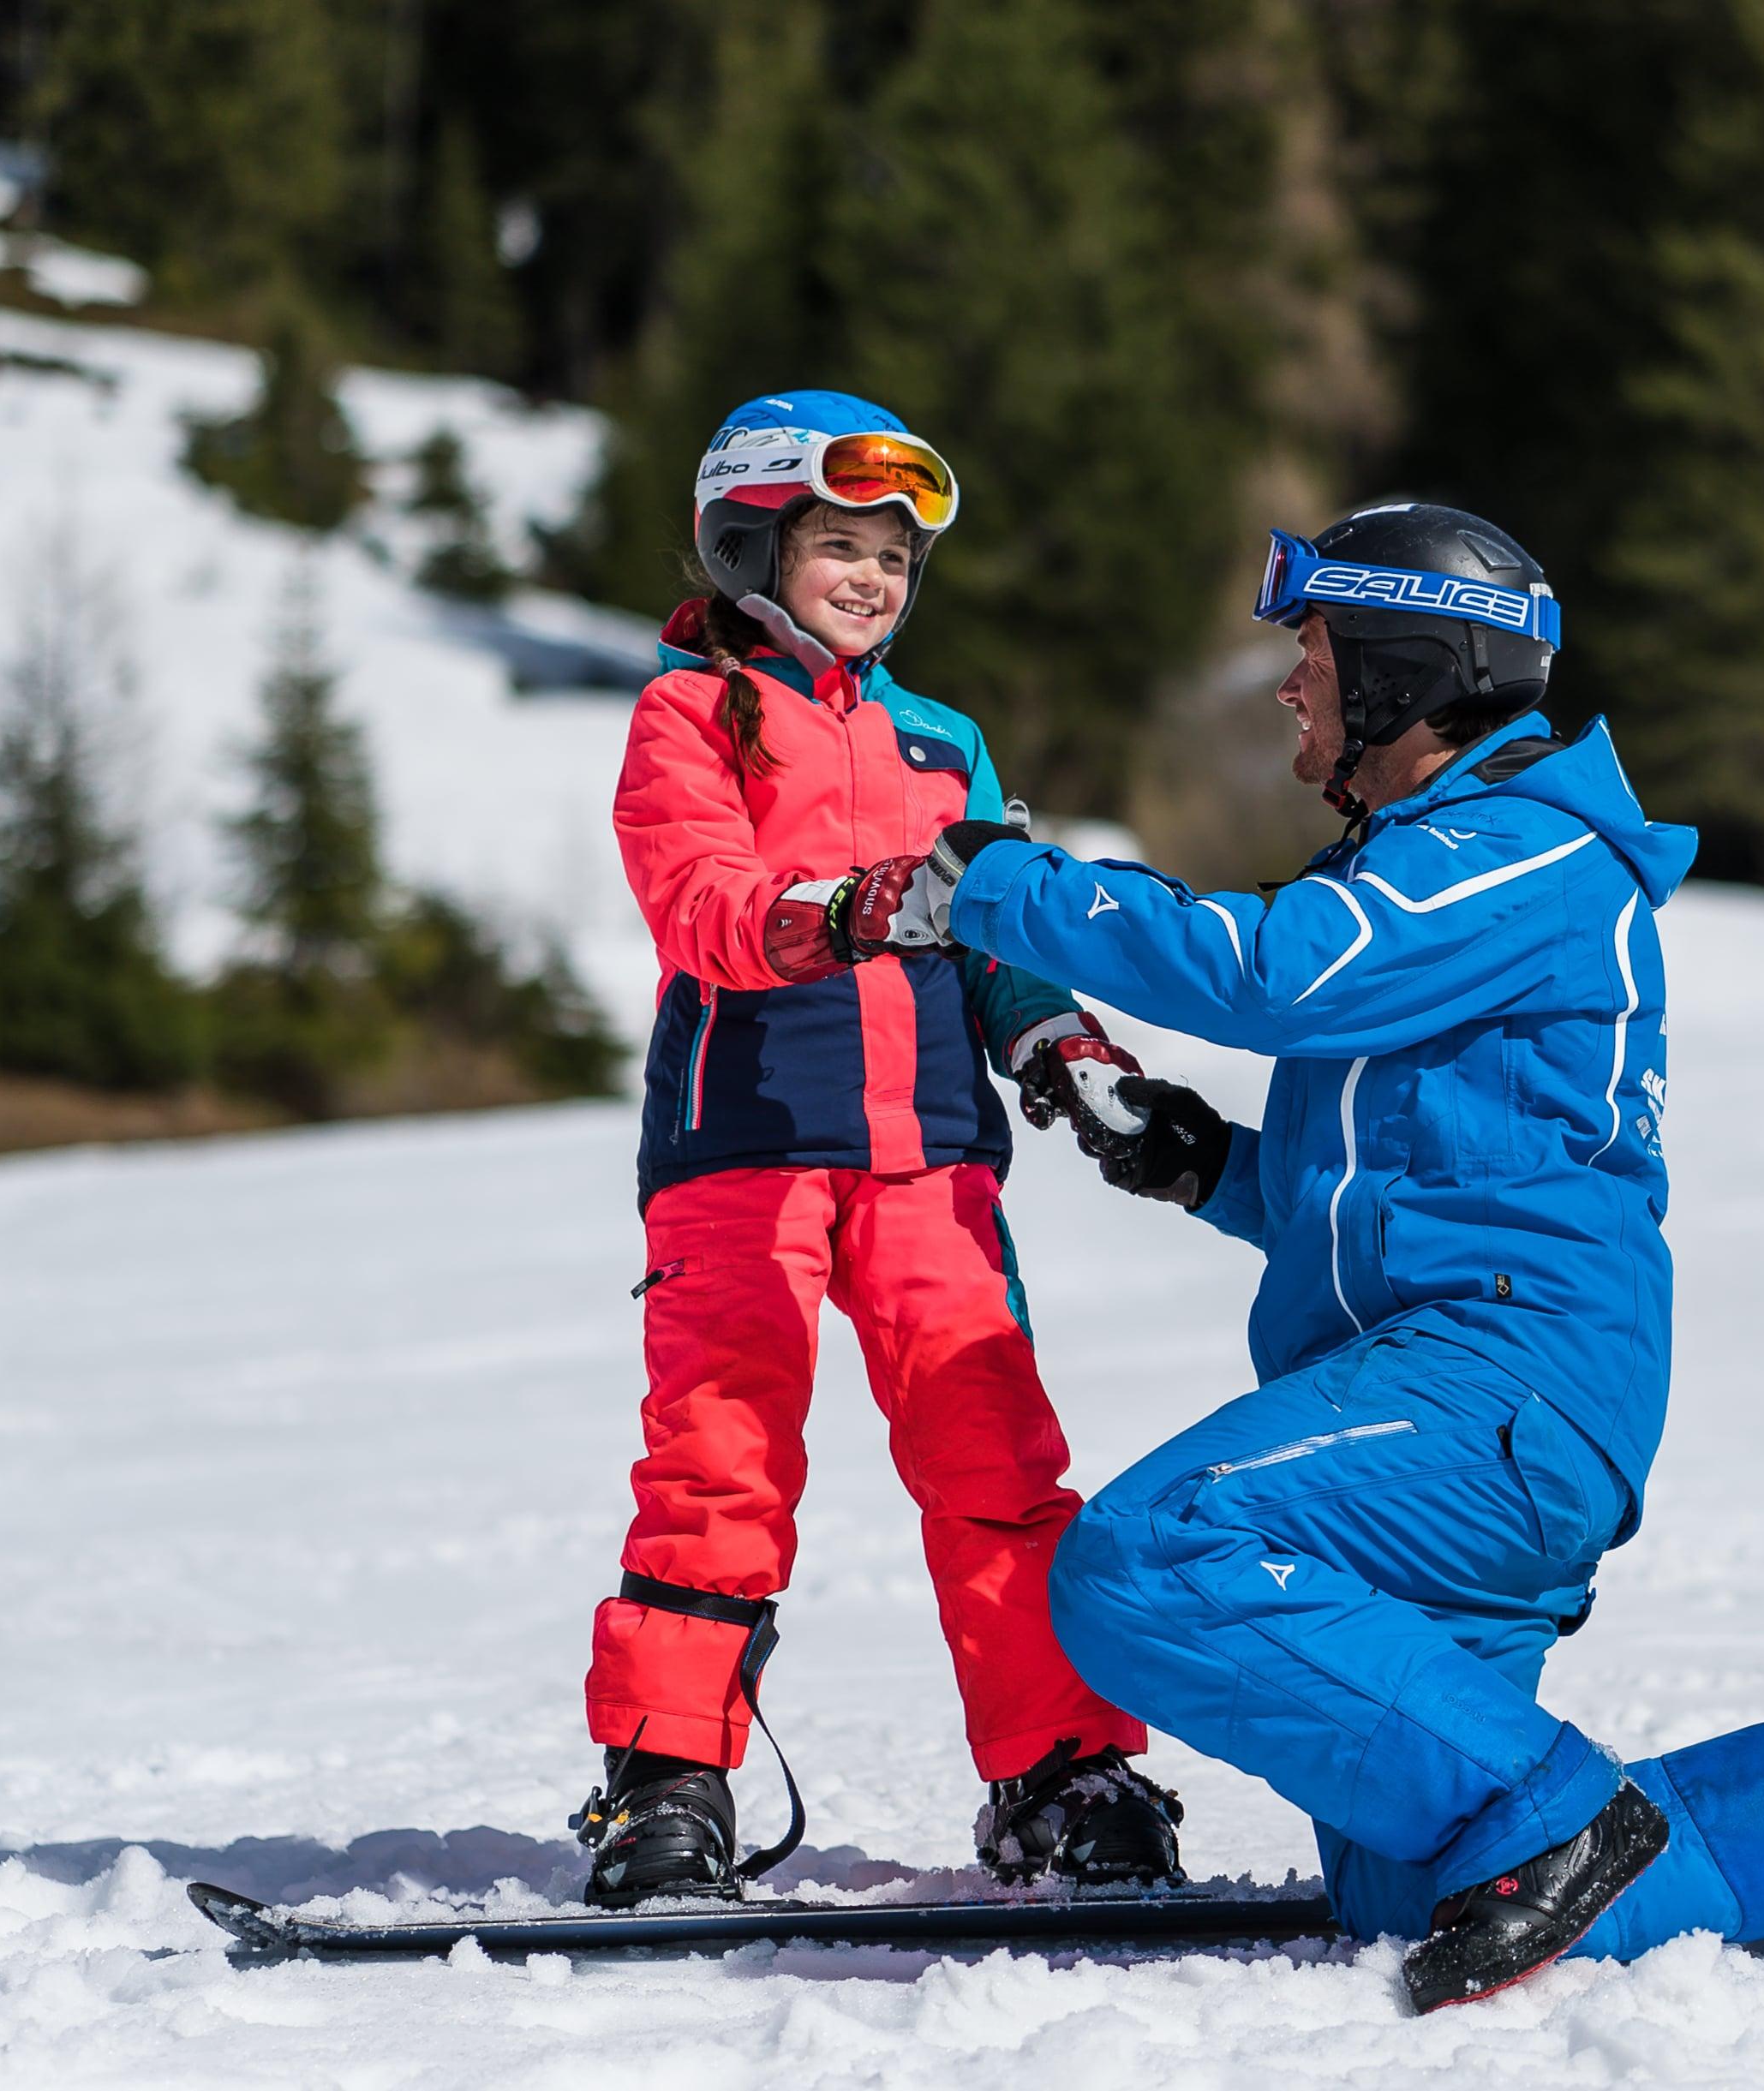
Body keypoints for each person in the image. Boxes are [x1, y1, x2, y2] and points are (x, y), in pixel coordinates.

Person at [855, 503, 1764, 2011]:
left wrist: (995, 876)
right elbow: (1409, 1190)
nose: (1290, 689)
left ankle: (1565, 1813)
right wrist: (1209, 1165)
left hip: (1498, 1388)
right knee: (1414, 1884)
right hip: (1449, 1394)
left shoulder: (1517, 851)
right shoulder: (1439, 866)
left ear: (1405, 664)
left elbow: (1280, 972)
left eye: (1312, 653)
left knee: (1146, 1555)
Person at [577, 390, 1183, 1907]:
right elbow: (701, 908)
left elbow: (1000, 928)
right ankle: (665, 1778)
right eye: (839, 545)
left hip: (933, 1164)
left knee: (998, 1457)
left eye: (895, 558)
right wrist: (846, 911)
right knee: (721, 1455)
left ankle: (1065, 1767)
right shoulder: (692, 715)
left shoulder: (943, 739)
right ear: (747, 543)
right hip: (748, 1146)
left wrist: (1062, 1043)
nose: (873, 579)